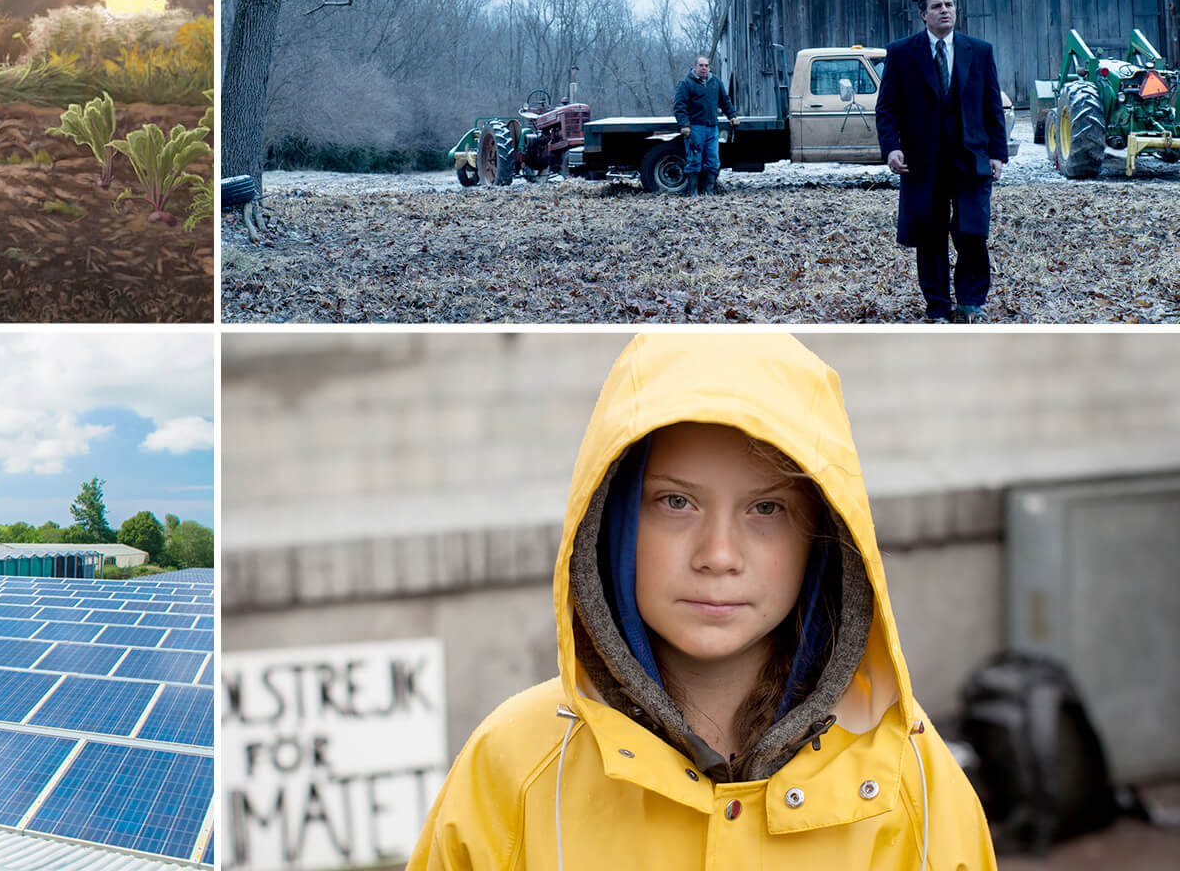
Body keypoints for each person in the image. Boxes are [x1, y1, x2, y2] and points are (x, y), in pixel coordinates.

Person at [406, 333, 994, 870]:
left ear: (822, 537)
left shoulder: (909, 773)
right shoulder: (518, 764)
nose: (718, 555)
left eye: (766, 509)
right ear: (612, 521)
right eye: (675, 503)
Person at [876, 0, 1007, 323]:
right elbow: (887, 108)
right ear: (924, 14)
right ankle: (937, 308)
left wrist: (998, 153)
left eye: (949, 4)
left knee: (972, 233)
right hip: (923, 164)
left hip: (970, 161)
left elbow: (992, 105)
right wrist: (892, 148)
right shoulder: (903, 53)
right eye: (937, 6)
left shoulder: (979, 51)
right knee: (930, 236)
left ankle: (970, 304)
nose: (945, 10)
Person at [672, 55, 736, 195]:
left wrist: (732, 116)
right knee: (694, 160)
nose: (704, 68)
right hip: (695, 128)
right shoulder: (686, 83)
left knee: (713, 159)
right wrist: (684, 124)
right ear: (695, 67)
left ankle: (709, 191)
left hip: (712, 128)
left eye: (706, 65)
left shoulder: (715, 82)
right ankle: (693, 192)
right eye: (701, 65)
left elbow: (725, 101)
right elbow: (679, 106)